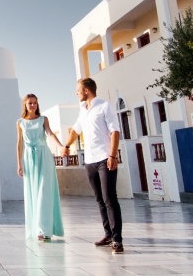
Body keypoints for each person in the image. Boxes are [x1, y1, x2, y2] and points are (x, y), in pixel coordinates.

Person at [64, 77, 124, 253]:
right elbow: (76, 130)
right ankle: (108, 234)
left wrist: (113, 156)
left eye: (78, 91)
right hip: (89, 161)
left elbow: (115, 131)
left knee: (109, 198)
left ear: (86, 90)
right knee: (100, 200)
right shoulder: (83, 110)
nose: (76, 94)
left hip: (105, 159)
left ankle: (117, 239)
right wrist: (66, 146)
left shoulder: (105, 106)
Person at [16, 94, 65, 241]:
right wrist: (19, 164)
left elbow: (50, 133)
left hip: (44, 156)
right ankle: (37, 228)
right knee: (33, 192)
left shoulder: (43, 119)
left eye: (35, 103)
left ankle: (43, 230)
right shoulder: (20, 122)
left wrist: (60, 147)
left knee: (44, 191)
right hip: (29, 159)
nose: (33, 105)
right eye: (30, 103)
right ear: (25, 105)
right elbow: (19, 143)